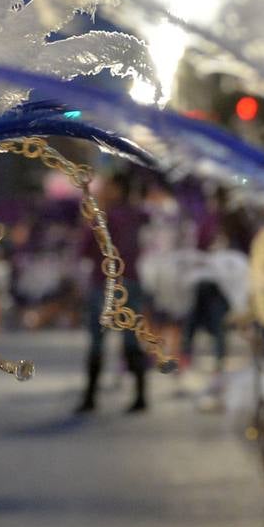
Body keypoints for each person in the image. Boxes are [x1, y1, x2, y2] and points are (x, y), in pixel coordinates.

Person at [76, 169, 151, 414]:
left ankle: (89, 397)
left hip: (105, 283)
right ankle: (140, 396)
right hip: (133, 281)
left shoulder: (106, 217)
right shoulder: (138, 215)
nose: (103, 190)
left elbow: (86, 248)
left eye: (108, 186)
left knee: (98, 340)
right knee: (132, 338)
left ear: (118, 189)